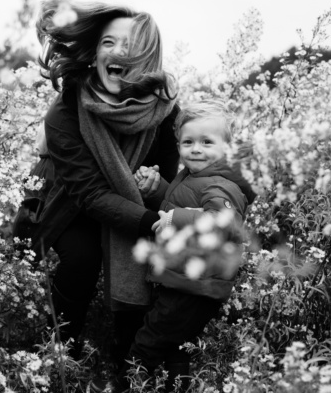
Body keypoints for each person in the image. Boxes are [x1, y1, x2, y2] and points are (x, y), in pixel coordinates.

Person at [13, 0, 180, 364]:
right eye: (108, 42)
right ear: (92, 52)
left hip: (130, 204)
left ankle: (129, 365)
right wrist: (155, 222)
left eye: (130, 44)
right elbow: (88, 194)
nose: (118, 52)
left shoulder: (164, 109)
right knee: (83, 259)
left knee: (149, 261)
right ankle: (58, 354)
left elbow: (171, 177)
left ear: (147, 56)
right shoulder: (66, 109)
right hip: (65, 202)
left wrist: (159, 188)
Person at [94, 100, 255, 392]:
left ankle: (122, 386)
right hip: (183, 280)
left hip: (195, 286)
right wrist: (157, 192)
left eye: (207, 142)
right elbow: (182, 203)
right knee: (176, 346)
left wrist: (174, 219)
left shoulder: (221, 185)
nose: (196, 149)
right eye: (188, 141)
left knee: (149, 339)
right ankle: (176, 386)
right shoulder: (195, 177)